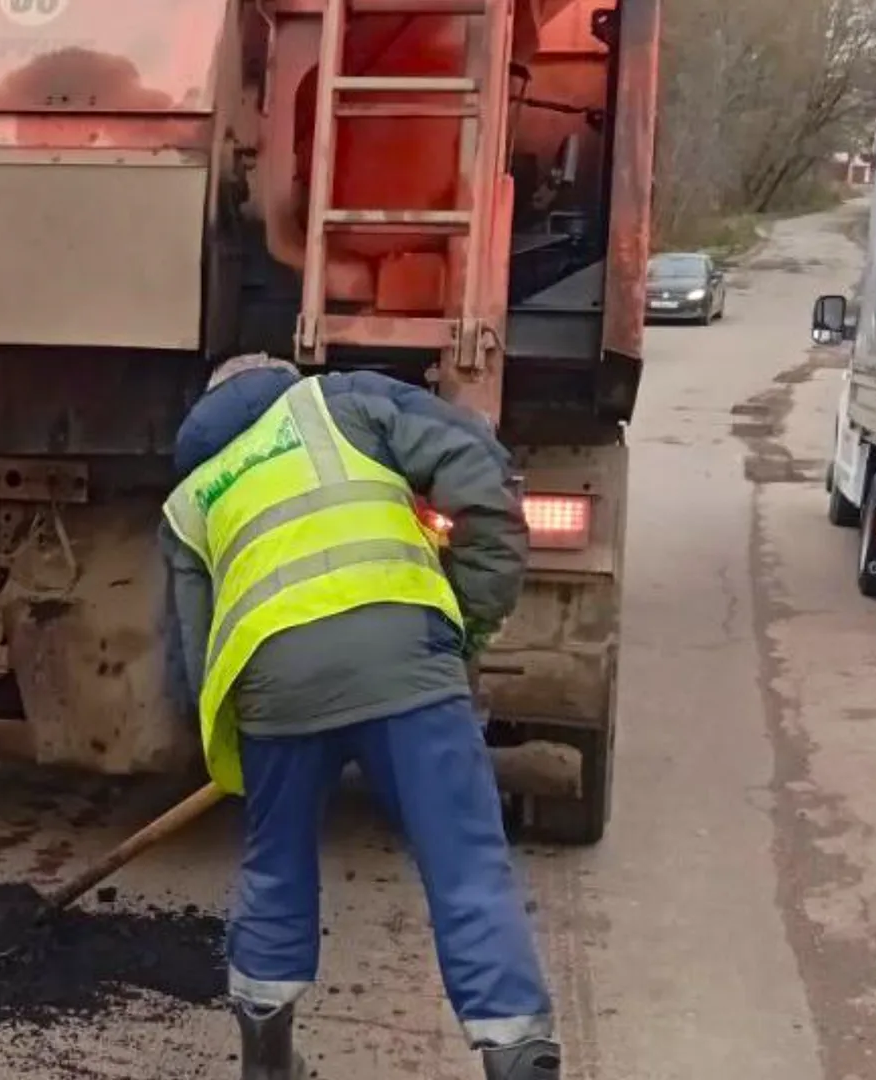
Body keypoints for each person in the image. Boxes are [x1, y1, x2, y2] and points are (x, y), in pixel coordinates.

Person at [160, 353, 560, 1080]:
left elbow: (191, 654)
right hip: (404, 660)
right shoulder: (341, 400)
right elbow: (476, 467)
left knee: (274, 870)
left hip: (275, 691)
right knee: (466, 867)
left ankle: (267, 1065)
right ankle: (518, 1054)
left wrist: (238, 737)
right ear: (279, 381)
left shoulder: (189, 499)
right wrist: (468, 621)